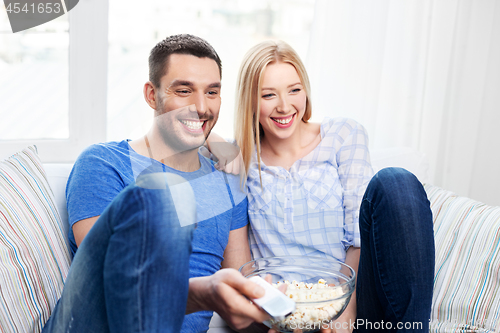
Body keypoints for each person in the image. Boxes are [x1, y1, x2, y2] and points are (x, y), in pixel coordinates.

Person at [42, 34, 271, 333]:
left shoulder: (228, 180)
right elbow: (109, 283)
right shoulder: (103, 162)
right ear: (152, 95)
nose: (201, 106)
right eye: (184, 90)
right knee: (165, 193)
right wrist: (202, 294)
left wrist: (288, 319)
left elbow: (241, 298)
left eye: (212, 92)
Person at [209, 40, 435, 332]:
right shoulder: (238, 159)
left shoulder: (342, 135)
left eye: (294, 90)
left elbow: (357, 239)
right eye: (268, 95)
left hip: (350, 300)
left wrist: (344, 318)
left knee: (396, 181)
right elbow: (182, 128)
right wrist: (213, 140)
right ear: (249, 101)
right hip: (283, 309)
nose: (284, 106)